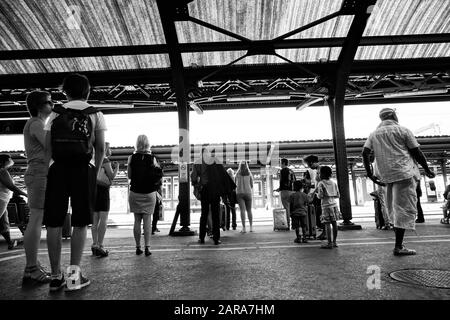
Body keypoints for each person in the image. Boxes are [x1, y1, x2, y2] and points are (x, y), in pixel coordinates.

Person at [43, 73, 106, 291]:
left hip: (58, 169)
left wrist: (49, 169)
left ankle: (54, 276)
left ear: (65, 91)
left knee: (54, 222)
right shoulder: (95, 113)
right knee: (80, 222)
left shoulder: (54, 113)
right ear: (87, 91)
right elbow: (100, 148)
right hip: (82, 170)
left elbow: (47, 147)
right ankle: (73, 277)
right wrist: (94, 171)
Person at [362, 107, 435, 256]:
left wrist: (370, 174)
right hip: (404, 174)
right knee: (402, 209)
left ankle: (399, 244)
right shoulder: (403, 130)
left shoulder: (373, 134)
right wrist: (427, 169)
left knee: (392, 209)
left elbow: (365, 153)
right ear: (394, 116)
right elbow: (416, 152)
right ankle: (398, 246)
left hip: (385, 177)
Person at [22, 91, 53, 283]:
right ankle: (31, 268)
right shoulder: (36, 123)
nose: (53, 105)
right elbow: (51, 145)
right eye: (49, 102)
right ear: (40, 106)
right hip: (39, 173)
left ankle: (32, 265)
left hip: (39, 173)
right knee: (36, 217)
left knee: (37, 217)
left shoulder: (37, 123)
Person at [191, 148, 235, 245]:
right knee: (216, 215)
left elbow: (193, 178)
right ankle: (216, 238)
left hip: (205, 191)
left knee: (204, 214)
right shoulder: (215, 161)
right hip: (215, 191)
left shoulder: (198, 162)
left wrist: (198, 186)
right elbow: (223, 174)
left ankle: (201, 238)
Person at [127, 134, 162, 256]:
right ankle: (147, 247)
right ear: (148, 144)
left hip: (135, 192)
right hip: (149, 193)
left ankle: (138, 247)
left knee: (137, 220)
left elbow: (130, 176)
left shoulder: (131, 158)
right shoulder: (152, 158)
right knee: (147, 220)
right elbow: (156, 175)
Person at [91, 142, 118, 257]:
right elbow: (111, 176)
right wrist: (116, 168)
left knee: (95, 220)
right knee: (104, 219)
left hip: (93, 190)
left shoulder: (92, 159)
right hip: (103, 191)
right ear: (106, 148)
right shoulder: (105, 160)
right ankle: (100, 245)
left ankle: (94, 244)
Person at [0, 154, 28, 250]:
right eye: (10, 159)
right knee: (3, 221)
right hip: (1, 199)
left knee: (4, 222)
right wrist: (25, 194)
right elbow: (12, 187)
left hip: (4, 200)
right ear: (4, 161)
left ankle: (10, 242)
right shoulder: (2, 170)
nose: (11, 160)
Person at [316, 166, 341, 249]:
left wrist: (316, 194)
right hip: (334, 205)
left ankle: (329, 243)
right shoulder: (334, 183)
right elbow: (338, 195)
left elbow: (320, 196)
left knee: (327, 224)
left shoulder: (321, 183)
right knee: (334, 224)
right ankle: (335, 242)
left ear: (322, 174)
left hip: (326, 206)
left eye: (319, 173)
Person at [303, 155, 326, 240]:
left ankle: (325, 232)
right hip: (319, 194)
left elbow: (322, 183)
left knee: (321, 213)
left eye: (308, 164)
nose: (309, 166)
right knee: (320, 213)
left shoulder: (321, 169)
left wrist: (313, 192)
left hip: (322, 196)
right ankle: (324, 232)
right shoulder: (318, 170)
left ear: (312, 162)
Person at [276, 158, 295, 229]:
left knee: (287, 208)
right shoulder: (291, 171)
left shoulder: (282, 170)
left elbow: (282, 181)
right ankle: (294, 224)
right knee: (293, 208)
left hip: (285, 192)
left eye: (280, 163)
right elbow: (293, 181)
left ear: (283, 163)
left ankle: (288, 225)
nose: (280, 164)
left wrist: (280, 188)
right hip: (292, 191)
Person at [235, 161, 254, 233]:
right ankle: (251, 227)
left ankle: (244, 228)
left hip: (240, 193)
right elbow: (252, 185)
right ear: (246, 165)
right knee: (249, 210)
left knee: (242, 210)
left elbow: (234, 184)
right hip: (248, 192)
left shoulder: (237, 174)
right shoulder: (249, 174)